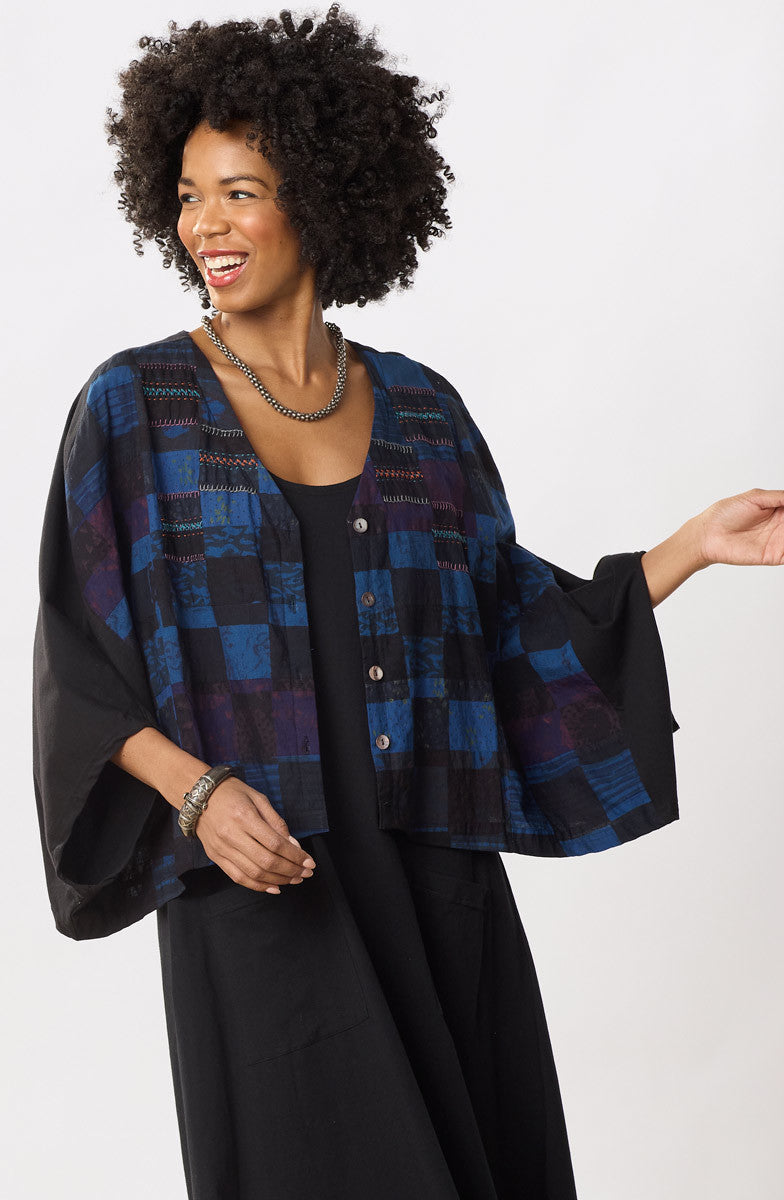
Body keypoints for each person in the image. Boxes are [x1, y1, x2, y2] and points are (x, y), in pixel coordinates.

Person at [31, 9, 784, 1200]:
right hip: (259, 882)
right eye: (187, 196)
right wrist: (198, 794)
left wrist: (685, 551)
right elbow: (80, 665)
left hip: (436, 881)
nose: (204, 226)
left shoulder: (423, 411)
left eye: (239, 193)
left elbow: (506, 625)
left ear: (324, 199)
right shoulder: (135, 407)